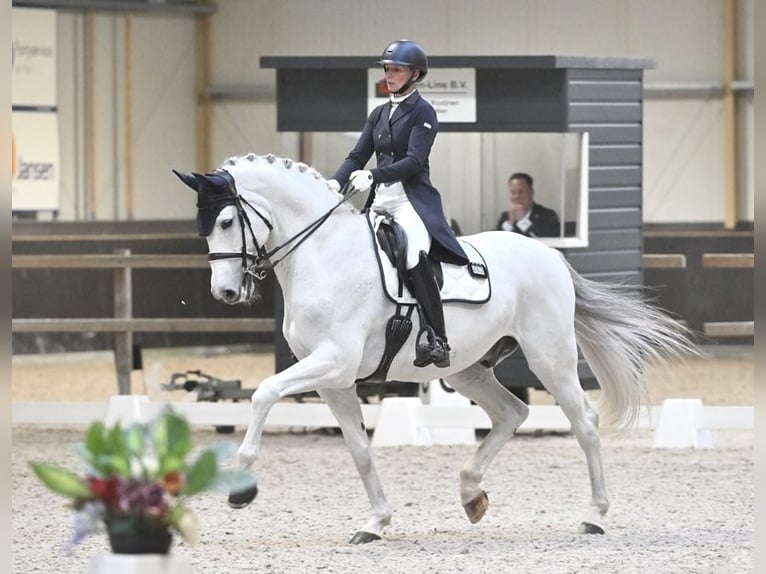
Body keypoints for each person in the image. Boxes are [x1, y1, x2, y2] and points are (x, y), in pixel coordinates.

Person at [326, 39, 468, 369]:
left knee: (413, 254)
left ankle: (437, 339)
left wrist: (373, 175)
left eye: (396, 70)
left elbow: (414, 161)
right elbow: (357, 155)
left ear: (415, 74)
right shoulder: (378, 114)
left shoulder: (423, 112)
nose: (389, 75)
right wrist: (334, 181)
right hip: (379, 202)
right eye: (387, 69)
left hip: (410, 202)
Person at [495, 172, 560, 238]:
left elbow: (546, 242)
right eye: (513, 192)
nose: (517, 197)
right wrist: (510, 223)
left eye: (521, 192)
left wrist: (522, 221)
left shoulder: (547, 215)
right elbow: (495, 241)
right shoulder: (505, 216)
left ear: (531, 192)